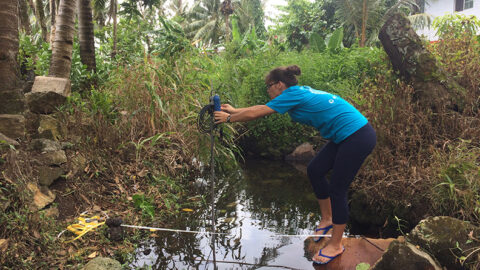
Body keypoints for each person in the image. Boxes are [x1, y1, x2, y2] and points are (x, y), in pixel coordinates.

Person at [214, 65, 376, 265]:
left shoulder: (293, 94)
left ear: (279, 85)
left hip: (357, 135)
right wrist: (235, 110)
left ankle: (336, 244)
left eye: (268, 86)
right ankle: (327, 219)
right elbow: (261, 107)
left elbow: (259, 112)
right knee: (315, 169)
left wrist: (229, 118)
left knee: (338, 188)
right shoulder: (294, 93)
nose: (268, 90)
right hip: (345, 135)